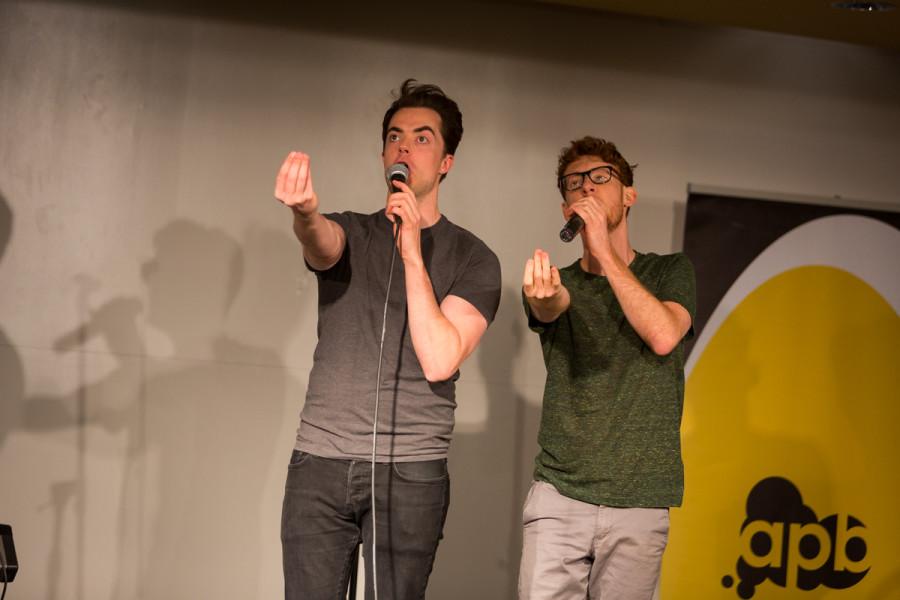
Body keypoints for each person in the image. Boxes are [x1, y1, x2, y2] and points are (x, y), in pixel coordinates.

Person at [274, 79, 502, 600]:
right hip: (320, 464)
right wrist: (305, 213)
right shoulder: (351, 230)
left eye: (422, 138)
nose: (404, 147)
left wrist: (413, 250)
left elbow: (441, 357)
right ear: (383, 154)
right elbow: (321, 242)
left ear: (447, 160)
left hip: (410, 470)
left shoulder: (474, 259)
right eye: (395, 137)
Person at [519, 136, 696, 599]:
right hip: (560, 496)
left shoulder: (670, 271)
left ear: (629, 195)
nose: (588, 190)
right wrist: (546, 299)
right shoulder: (558, 283)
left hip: (639, 501)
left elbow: (662, 334)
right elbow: (551, 303)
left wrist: (605, 251)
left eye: (601, 178)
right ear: (566, 210)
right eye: (574, 184)